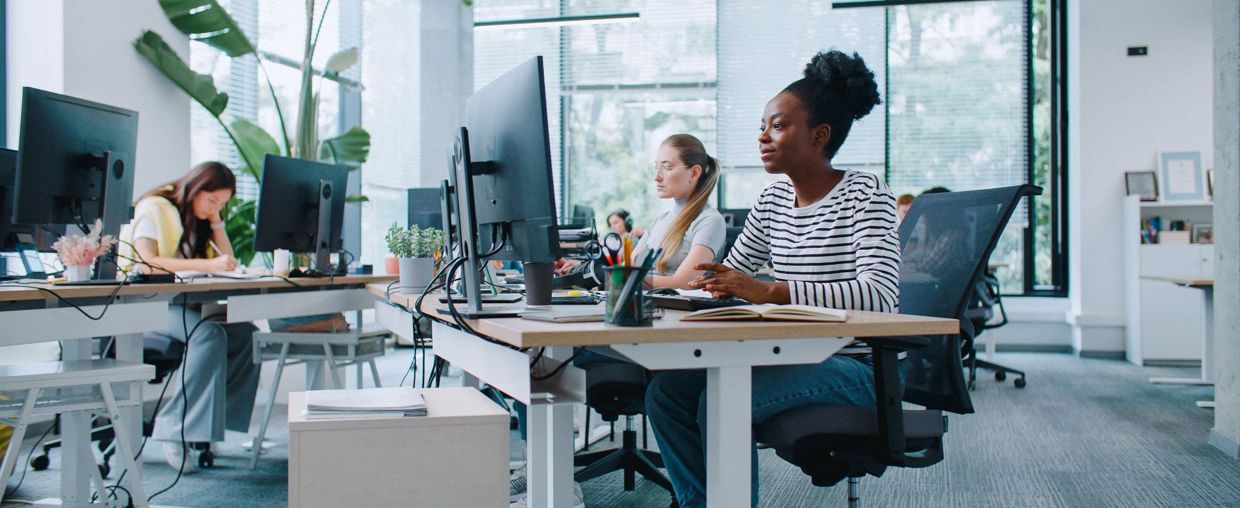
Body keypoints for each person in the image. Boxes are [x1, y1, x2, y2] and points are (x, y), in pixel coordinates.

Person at [644, 50, 900, 508]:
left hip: (858, 365)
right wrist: (674, 292)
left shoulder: (866, 193)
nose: (762, 136)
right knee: (666, 393)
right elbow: (725, 276)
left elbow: (880, 296)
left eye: (777, 126)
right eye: (762, 126)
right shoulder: (774, 198)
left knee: (719, 400)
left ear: (819, 136)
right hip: (790, 351)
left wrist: (772, 291)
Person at [120, 161, 260, 473]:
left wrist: (216, 221)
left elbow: (228, 262)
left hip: (185, 306)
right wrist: (204, 266)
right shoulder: (154, 208)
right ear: (195, 188)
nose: (215, 208)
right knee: (209, 335)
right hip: (148, 306)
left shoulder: (199, 221)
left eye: (222, 204)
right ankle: (173, 427)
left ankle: (208, 427)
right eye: (212, 200)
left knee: (247, 335)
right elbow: (147, 263)